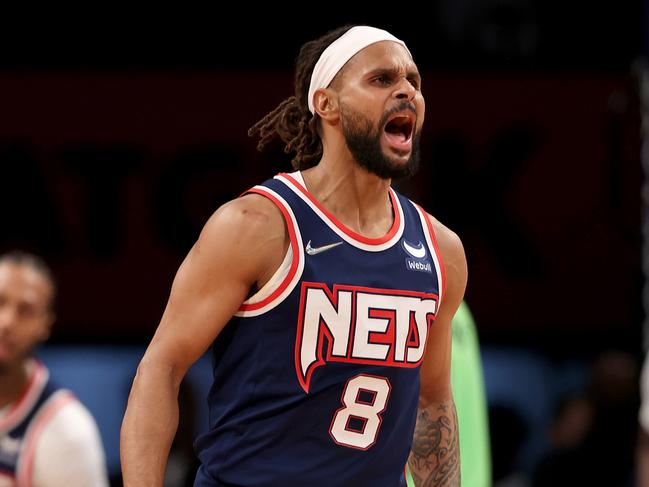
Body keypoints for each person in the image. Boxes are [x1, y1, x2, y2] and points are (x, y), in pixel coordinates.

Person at [121, 24, 467, 486]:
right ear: (326, 103)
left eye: (414, 81)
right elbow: (161, 367)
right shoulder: (257, 225)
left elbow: (433, 405)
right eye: (382, 80)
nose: (406, 91)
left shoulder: (440, 248)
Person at [0, 250, 108, 486]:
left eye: (25, 311)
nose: (6, 322)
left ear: (45, 325)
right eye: (0, 301)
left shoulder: (68, 431)